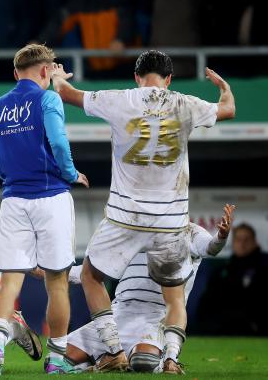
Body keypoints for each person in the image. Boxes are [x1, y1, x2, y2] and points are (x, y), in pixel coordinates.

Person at [51, 50, 236, 371]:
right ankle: (172, 360)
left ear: (137, 77)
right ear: (168, 79)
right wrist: (225, 89)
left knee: (92, 277)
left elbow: (66, 95)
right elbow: (228, 110)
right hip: (170, 220)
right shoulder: (186, 103)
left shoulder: (120, 99)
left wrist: (57, 78)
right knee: (175, 298)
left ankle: (112, 352)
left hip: (126, 216)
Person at [0, 43, 88, 374]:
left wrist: (15, 178)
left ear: (16, 74)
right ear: (45, 71)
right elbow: (58, 143)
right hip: (51, 195)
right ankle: (56, 360)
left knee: (9, 281)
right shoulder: (48, 98)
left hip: (14, 199)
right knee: (56, 283)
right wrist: (71, 174)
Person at [66, 204, 236, 374]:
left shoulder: (188, 231)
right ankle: (105, 362)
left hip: (156, 316)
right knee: (60, 359)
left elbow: (210, 247)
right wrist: (53, 273)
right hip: (119, 313)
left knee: (143, 361)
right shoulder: (129, 234)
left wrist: (221, 236)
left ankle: (160, 360)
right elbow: (90, 271)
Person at [38, 0, 135, 76]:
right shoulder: (81, 1)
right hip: (95, 68)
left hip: (121, 67)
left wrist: (121, 39)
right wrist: (40, 42)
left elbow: (127, 21)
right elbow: (60, 21)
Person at [197, 222, 268, 335]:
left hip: (253, 325)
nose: (242, 244)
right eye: (238, 240)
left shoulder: (263, 268)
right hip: (222, 325)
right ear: (233, 243)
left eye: (246, 240)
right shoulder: (222, 271)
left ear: (255, 242)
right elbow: (208, 302)